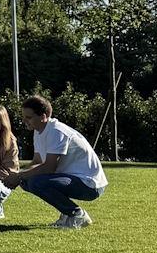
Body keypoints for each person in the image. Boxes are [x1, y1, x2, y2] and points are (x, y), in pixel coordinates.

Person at [14, 95, 107, 228]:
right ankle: (67, 214)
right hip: (74, 179)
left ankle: (77, 214)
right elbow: (37, 161)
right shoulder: (39, 131)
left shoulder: (56, 131)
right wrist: (17, 175)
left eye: (28, 117)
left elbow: (48, 168)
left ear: (43, 116)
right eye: (23, 117)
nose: (24, 120)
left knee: (36, 182)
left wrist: (18, 176)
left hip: (90, 185)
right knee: (26, 181)